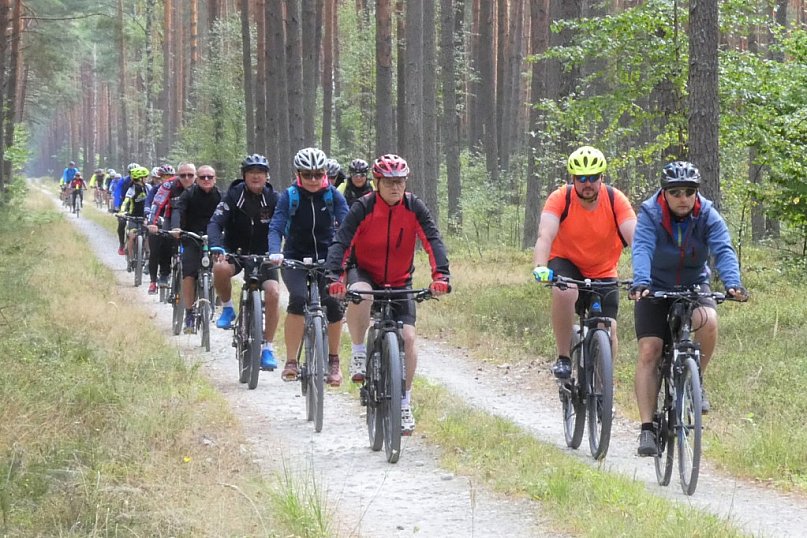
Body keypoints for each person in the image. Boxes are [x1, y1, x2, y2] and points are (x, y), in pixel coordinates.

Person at [629, 161, 749, 456]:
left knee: (708, 319)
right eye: (676, 192)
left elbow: (722, 248)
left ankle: (697, 380)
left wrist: (733, 283)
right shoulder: (650, 214)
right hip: (655, 286)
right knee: (650, 351)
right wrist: (641, 281)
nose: (683, 198)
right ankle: (646, 429)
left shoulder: (707, 213)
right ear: (665, 193)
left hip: (694, 285)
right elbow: (642, 247)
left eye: (689, 191)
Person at [325, 154, 450, 434]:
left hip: (400, 279)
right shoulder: (363, 207)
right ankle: (358, 352)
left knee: (408, 337)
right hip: (365, 272)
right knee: (360, 294)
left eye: (400, 181)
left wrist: (441, 275)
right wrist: (334, 276)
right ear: (377, 182)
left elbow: (432, 239)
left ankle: (403, 402)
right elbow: (342, 241)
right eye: (390, 182)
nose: (396, 187)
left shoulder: (414, 206)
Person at [532, 146, 636, 380]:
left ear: (602, 178)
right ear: (573, 179)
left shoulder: (615, 199)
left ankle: (603, 386)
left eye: (593, 178)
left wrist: (645, 274)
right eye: (581, 178)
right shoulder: (561, 198)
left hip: (603, 269)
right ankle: (563, 357)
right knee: (565, 291)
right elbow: (545, 235)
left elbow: (636, 238)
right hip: (566, 261)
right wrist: (540, 265)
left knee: (608, 327)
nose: (587, 183)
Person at [268, 147, 348, 387]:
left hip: (328, 258)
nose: (313, 180)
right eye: (307, 175)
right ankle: (291, 361)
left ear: (325, 173)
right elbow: (276, 225)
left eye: (318, 174)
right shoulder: (289, 196)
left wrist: (348, 253)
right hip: (294, 257)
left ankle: (334, 360)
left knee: (333, 302)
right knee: (298, 299)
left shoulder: (333, 196)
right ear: (298, 174)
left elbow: (347, 226)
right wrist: (275, 251)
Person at [208, 154, 281, 371]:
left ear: (267, 176)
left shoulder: (274, 199)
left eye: (260, 172)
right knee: (220, 268)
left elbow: (285, 225)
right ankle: (228, 308)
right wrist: (216, 245)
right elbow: (215, 222)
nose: (256, 176)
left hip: (264, 254)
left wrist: (280, 251)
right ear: (244, 176)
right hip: (235, 251)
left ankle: (267, 347)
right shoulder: (232, 196)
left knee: (274, 293)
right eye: (251, 172)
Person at [171, 165, 222, 333]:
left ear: (215, 179)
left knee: (222, 266)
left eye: (209, 177)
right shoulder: (189, 194)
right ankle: (189, 313)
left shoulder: (221, 196)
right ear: (197, 180)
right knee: (189, 273)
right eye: (202, 177)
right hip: (191, 237)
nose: (206, 180)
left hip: (214, 238)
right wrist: (177, 227)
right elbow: (178, 210)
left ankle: (218, 294)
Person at [144, 165, 172, 294]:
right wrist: (149, 220)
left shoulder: (178, 189)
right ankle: (153, 281)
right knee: (154, 251)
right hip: (156, 221)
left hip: (173, 223)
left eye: (169, 177)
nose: (166, 179)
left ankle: (168, 274)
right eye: (164, 177)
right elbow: (150, 205)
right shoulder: (155, 190)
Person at [118, 166, 150, 270]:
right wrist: (122, 212)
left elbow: (153, 201)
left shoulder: (148, 188)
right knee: (131, 235)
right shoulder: (131, 189)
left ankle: (147, 257)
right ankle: (131, 259)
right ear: (140, 178)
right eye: (145, 177)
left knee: (147, 236)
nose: (147, 179)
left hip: (144, 217)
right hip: (133, 217)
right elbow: (126, 201)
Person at [114, 163, 140, 255]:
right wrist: (117, 206)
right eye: (131, 172)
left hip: (138, 207)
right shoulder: (123, 181)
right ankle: (121, 244)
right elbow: (117, 193)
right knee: (122, 223)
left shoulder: (143, 182)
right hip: (124, 205)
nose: (133, 174)